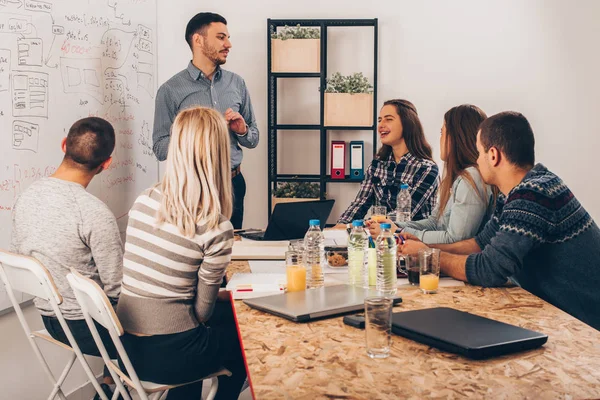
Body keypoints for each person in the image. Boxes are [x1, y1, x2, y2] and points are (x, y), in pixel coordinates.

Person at [400, 111, 600, 331]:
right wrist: (426, 247)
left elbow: (490, 269)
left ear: (493, 155)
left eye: (479, 152)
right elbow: (480, 243)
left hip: (586, 327)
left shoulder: (534, 194)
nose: (476, 160)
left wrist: (428, 257)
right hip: (563, 320)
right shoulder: (515, 194)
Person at [118, 107, 246, 399]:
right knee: (245, 342)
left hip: (128, 350)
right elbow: (202, 313)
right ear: (218, 154)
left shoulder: (144, 201)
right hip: (171, 356)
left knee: (206, 326)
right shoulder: (215, 227)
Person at [11, 117, 123, 399]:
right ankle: (120, 388)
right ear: (106, 163)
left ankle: (110, 387)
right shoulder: (94, 212)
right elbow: (117, 289)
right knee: (173, 328)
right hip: (89, 329)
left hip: (50, 319)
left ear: (64, 145)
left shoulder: (26, 196)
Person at [152, 12, 258, 229]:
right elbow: (160, 148)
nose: (228, 44)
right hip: (193, 186)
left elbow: (253, 139)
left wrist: (241, 130)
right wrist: (194, 135)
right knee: (195, 247)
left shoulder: (236, 83)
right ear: (198, 40)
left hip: (233, 183)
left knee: (232, 248)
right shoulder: (170, 90)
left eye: (227, 37)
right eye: (221, 37)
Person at [367, 104, 493, 243]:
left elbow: (455, 238)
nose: (440, 139)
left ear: (457, 137)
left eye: (442, 133)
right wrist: (394, 225)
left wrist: (399, 231)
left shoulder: (471, 178)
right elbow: (434, 223)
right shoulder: (458, 178)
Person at [336, 99, 439, 226]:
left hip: (412, 239)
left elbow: (404, 215)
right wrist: (342, 224)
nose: (380, 126)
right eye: (379, 120)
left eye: (388, 119)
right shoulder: (377, 165)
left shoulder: (427, 168)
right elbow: (361, 202)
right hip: (379, 239)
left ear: (407, 124)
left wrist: (364, 224)